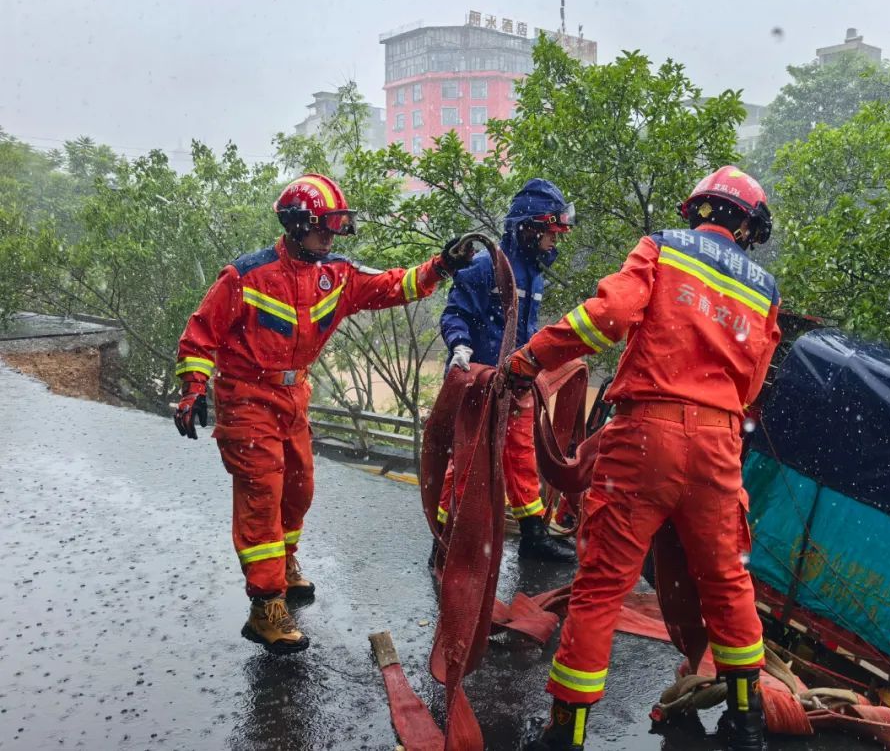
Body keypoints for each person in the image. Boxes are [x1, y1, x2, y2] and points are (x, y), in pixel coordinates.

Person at [505, 166, 781, 750]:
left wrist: (530, 358)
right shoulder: (764, 290)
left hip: (647, 437)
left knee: (603, 584)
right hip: (719, 443)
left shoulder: (663, 248)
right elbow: (753, 383)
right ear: (748, 227)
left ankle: (566, 732)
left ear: (698, 210)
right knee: (728, 581)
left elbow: (604, 318)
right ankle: (746, 720)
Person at [173, 173, 472, 655]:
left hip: (294, 399)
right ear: (296, 224)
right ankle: (266, 605)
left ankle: (284, 565)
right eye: (324, 228)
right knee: (262, 497)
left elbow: (394, 285)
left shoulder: (337, 275)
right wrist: (192, 390)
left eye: (336, 228)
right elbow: (200, 334)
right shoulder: (246, 276)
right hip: (246, 400)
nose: (331, 237)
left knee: (298, 489)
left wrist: (441, 265)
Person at [437, 178, 576, 563]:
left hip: (516, 383)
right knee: (466, 462)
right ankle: (447, 538)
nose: (554, 241)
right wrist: (459, 343)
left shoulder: (533, 273)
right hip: (482, 383)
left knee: (520, 456)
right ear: (528, 228)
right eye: (551, 232)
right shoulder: (486, 267)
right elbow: (456, 313)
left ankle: (533, 536)